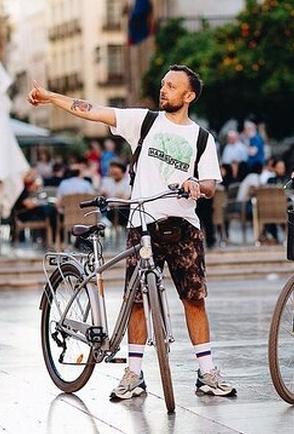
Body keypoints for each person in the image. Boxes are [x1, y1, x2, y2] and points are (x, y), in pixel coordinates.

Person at [27, 64, 236, 400]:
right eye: (163, 84)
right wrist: (51, 98)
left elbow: (211, 183)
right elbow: (92, 110)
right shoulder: (145, 121)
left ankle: (207, 372)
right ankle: (133, 374)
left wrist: (197, 184)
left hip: (184, 227)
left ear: (189, 95)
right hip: (142, 224)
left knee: (194, 300)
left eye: (172, 86)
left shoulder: (201, 138)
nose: (164, 90)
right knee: (136, 302)